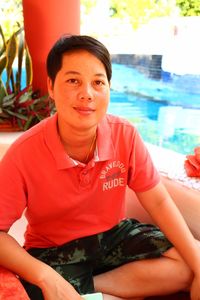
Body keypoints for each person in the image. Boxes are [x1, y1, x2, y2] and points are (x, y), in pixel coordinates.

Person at [0, 34, 200, 300]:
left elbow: (159, 202)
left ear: (108, 88)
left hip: (114, 235)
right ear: (50, 86)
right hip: (55, 249)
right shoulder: (24, 152)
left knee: (189, 264)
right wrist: (46, 277)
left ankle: (88, 287)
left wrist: (199, 267)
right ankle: (72, 285)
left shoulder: (125, 134)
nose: (87, 93)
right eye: (73, 81)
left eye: (98, 82)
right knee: (28, 293)